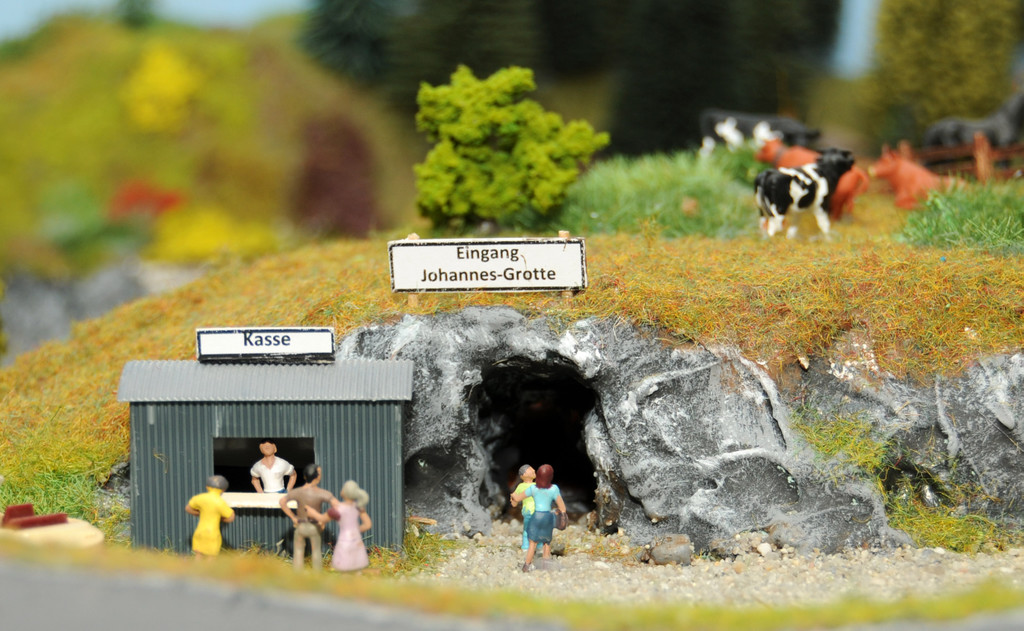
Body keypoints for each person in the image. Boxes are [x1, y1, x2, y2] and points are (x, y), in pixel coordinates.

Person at [279, 463, 335, 571]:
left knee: (298, 551)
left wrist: (293, 517)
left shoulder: (297, 492)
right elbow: (336, 506)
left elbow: (282, 502)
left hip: (301, 526)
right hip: (314, 527)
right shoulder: (322, 493)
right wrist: (323, 519)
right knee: (316, 551)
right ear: (318, 477)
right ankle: (317, 574)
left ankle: (298, 574)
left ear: (305, 477)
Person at [510, 463, 565, 572]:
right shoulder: (554, 488)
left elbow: (517, 498)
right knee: (546, 542)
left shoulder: (533, 488)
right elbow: (562, 507)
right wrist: (561, 515)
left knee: (532, 542)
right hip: (547, 516)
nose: (533, 471)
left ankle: (527, 565)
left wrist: (513, 496)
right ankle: (545, 564)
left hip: (537, 515)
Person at [316, 480, 372, 572]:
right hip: (357, 541)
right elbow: (367, 525)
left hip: (344, 542)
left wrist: (310, 511)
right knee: (357, 569)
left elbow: (322, 519)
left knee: (345, 571)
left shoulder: (337, 509)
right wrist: (355, 531)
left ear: (344, 492)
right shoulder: (359, 507)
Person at [185, 475, 235, 558]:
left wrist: (199, 513)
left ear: (207, 487)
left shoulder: (200, 498)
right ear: (223, 490)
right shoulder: (220, 502)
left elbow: (188, 508)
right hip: (213, 533)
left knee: (198, 555)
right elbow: (231, 517)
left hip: (200, 531)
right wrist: (220, 518)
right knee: (211, 556)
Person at [509, 464, 536, 551]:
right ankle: (525, 545)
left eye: (533, 469)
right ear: (523, 475)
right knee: (527, 529)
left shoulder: (537, 485)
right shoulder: (521, 486)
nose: (533, 471)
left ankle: (538, 546)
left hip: (538, 510)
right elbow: (515, 497)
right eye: (530, 470)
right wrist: (513, 501)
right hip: (528, 510)